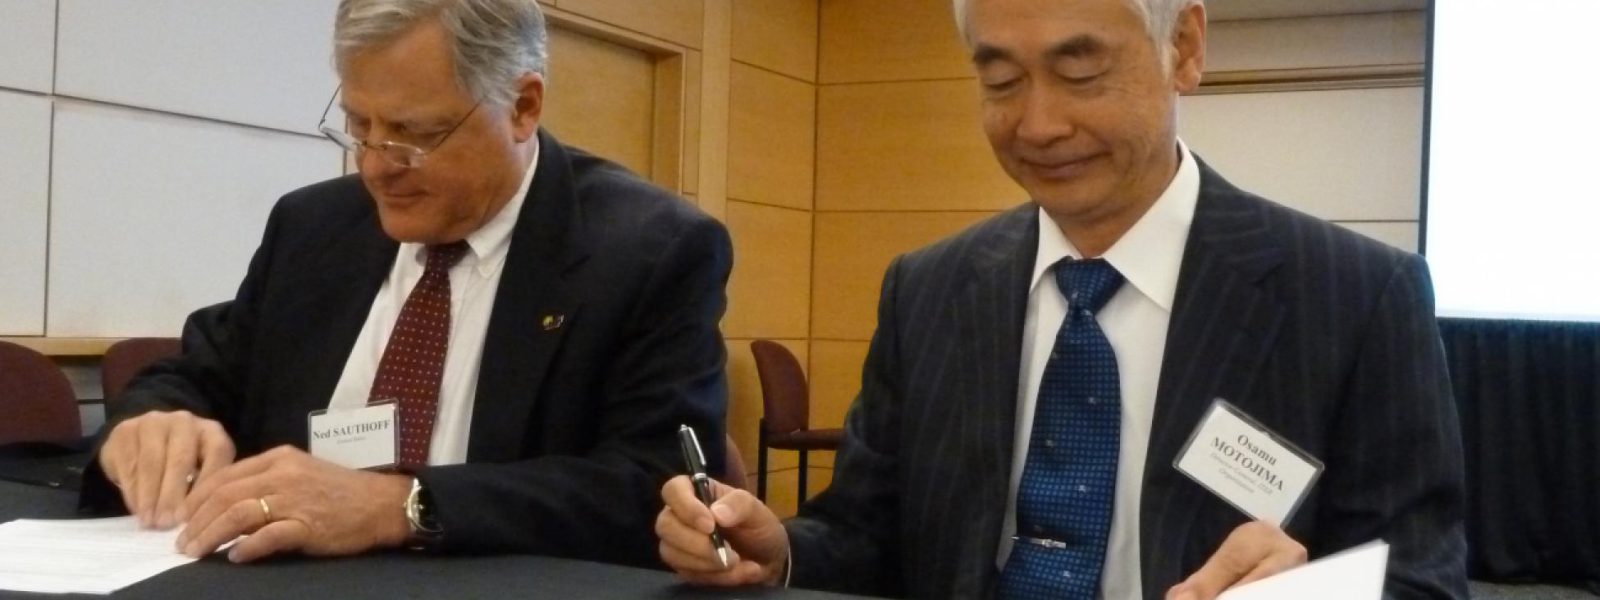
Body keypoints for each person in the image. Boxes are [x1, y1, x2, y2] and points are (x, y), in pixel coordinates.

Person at [656, 0, 1466, 598]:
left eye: (1080, 72)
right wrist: (780, 551)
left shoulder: (1354, 296)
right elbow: (870, 535)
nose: (1037, 124)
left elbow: (1422, 579)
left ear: (1183, 46)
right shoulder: (931, 290)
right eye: (1001, 80)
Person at [83, 0, 731, 568]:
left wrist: (405, 504)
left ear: (523, 106)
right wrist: (153, 421)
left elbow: (651, 487)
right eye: (361, 126)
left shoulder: (651, 252)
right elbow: (201, 372)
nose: (375, 168)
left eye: (415, 135)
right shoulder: (314, 226)